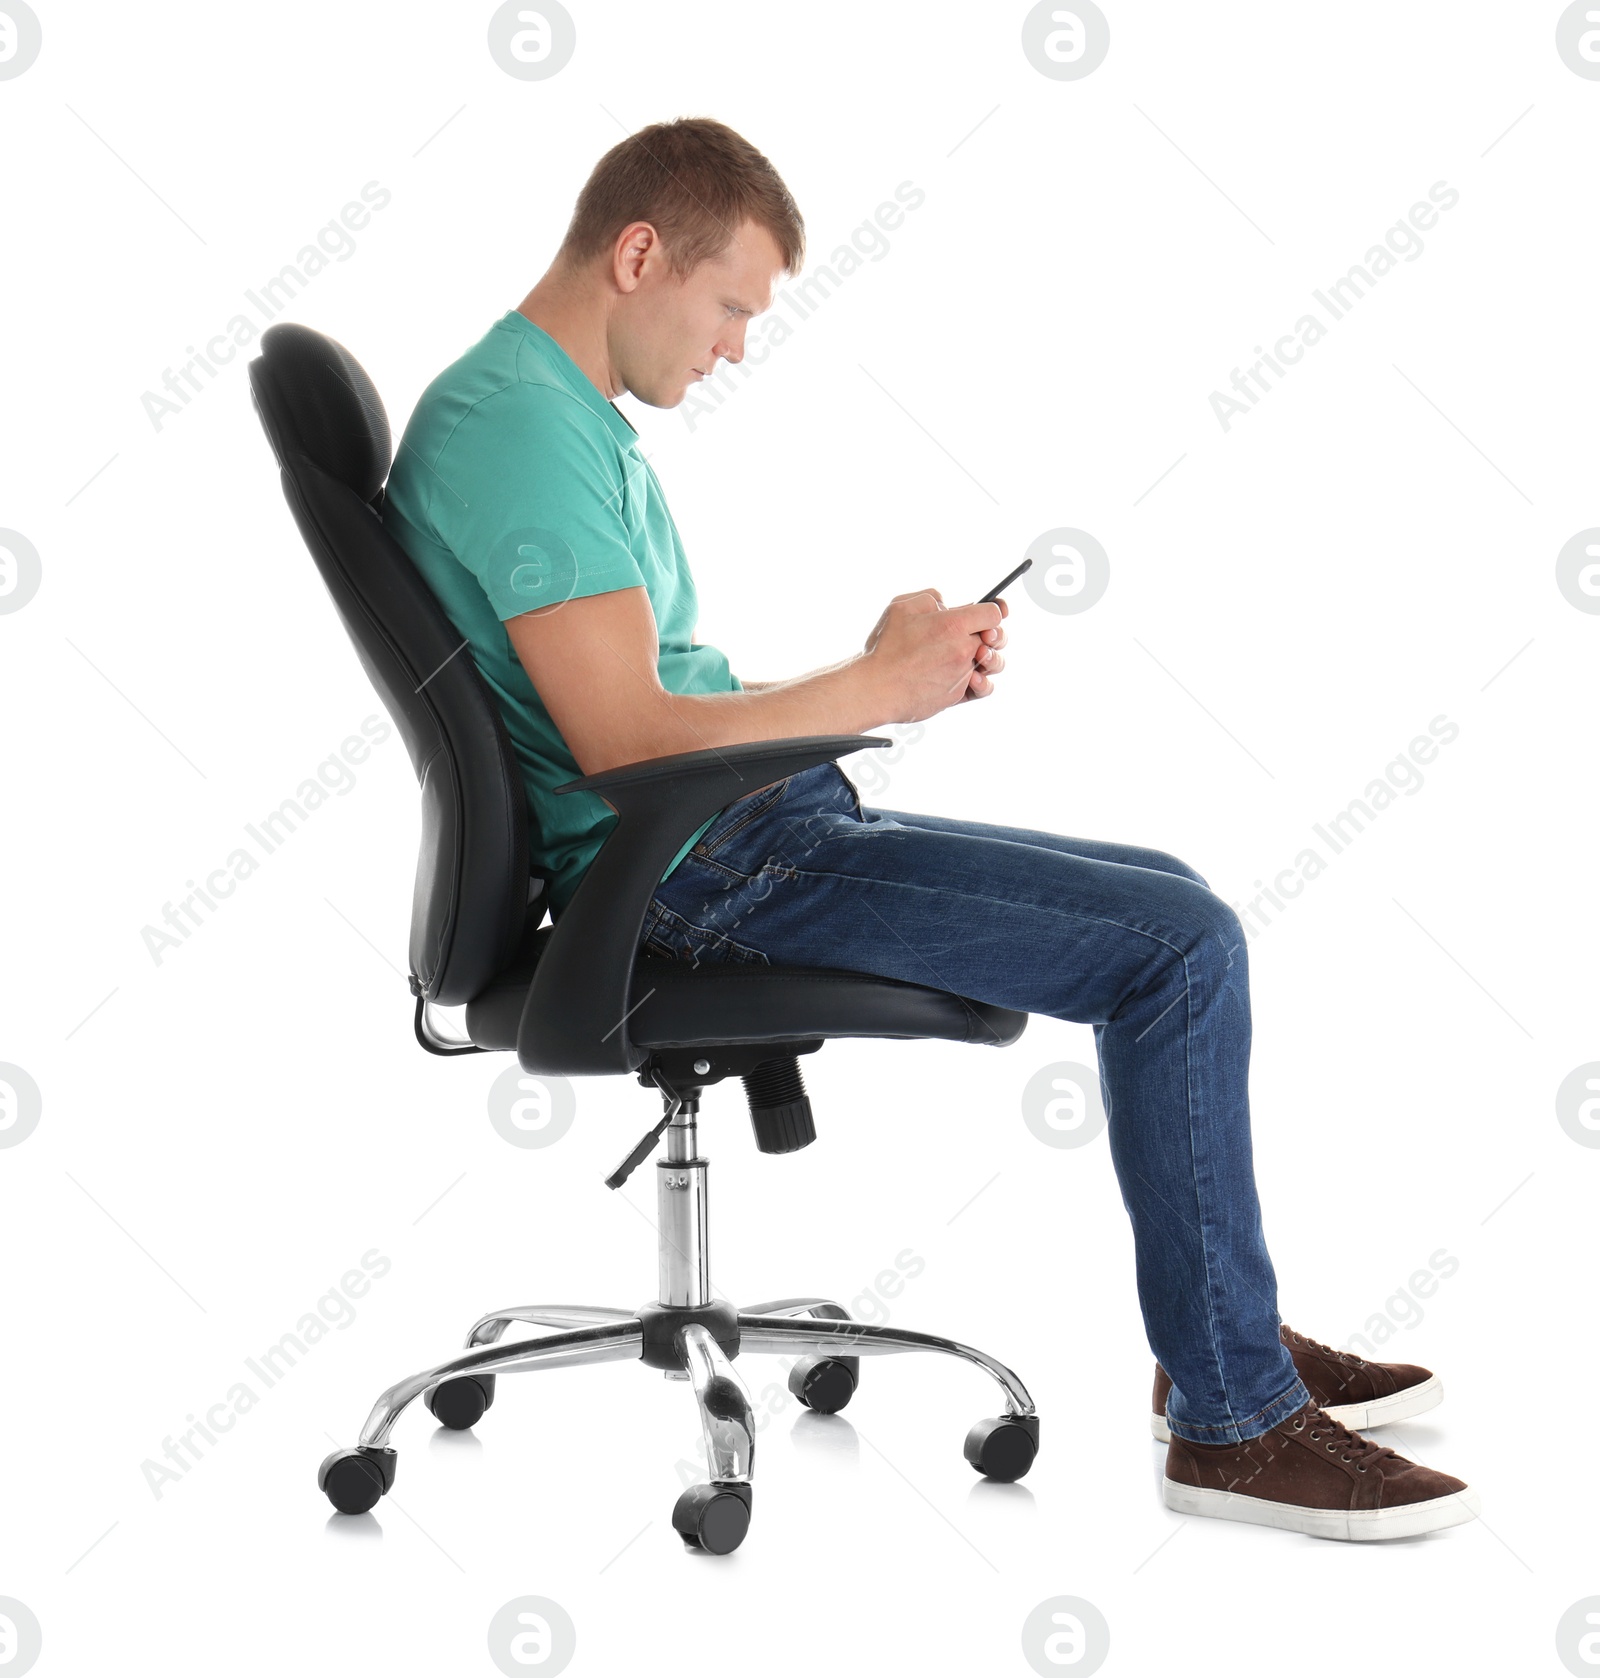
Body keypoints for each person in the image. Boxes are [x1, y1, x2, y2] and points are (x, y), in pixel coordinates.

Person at [380, 116, 1477, 1543]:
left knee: (1172, 891)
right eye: (730, 306)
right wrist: (870, 688)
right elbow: (626, 742)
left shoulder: (553, 414)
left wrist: (866, 676)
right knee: (1179, 946)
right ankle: (1233, 1419)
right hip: (701, 876)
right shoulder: (519, 427)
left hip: (724, 838)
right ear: (639, 253)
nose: (733, 347)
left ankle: (1223, 1336)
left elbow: (657, 700)